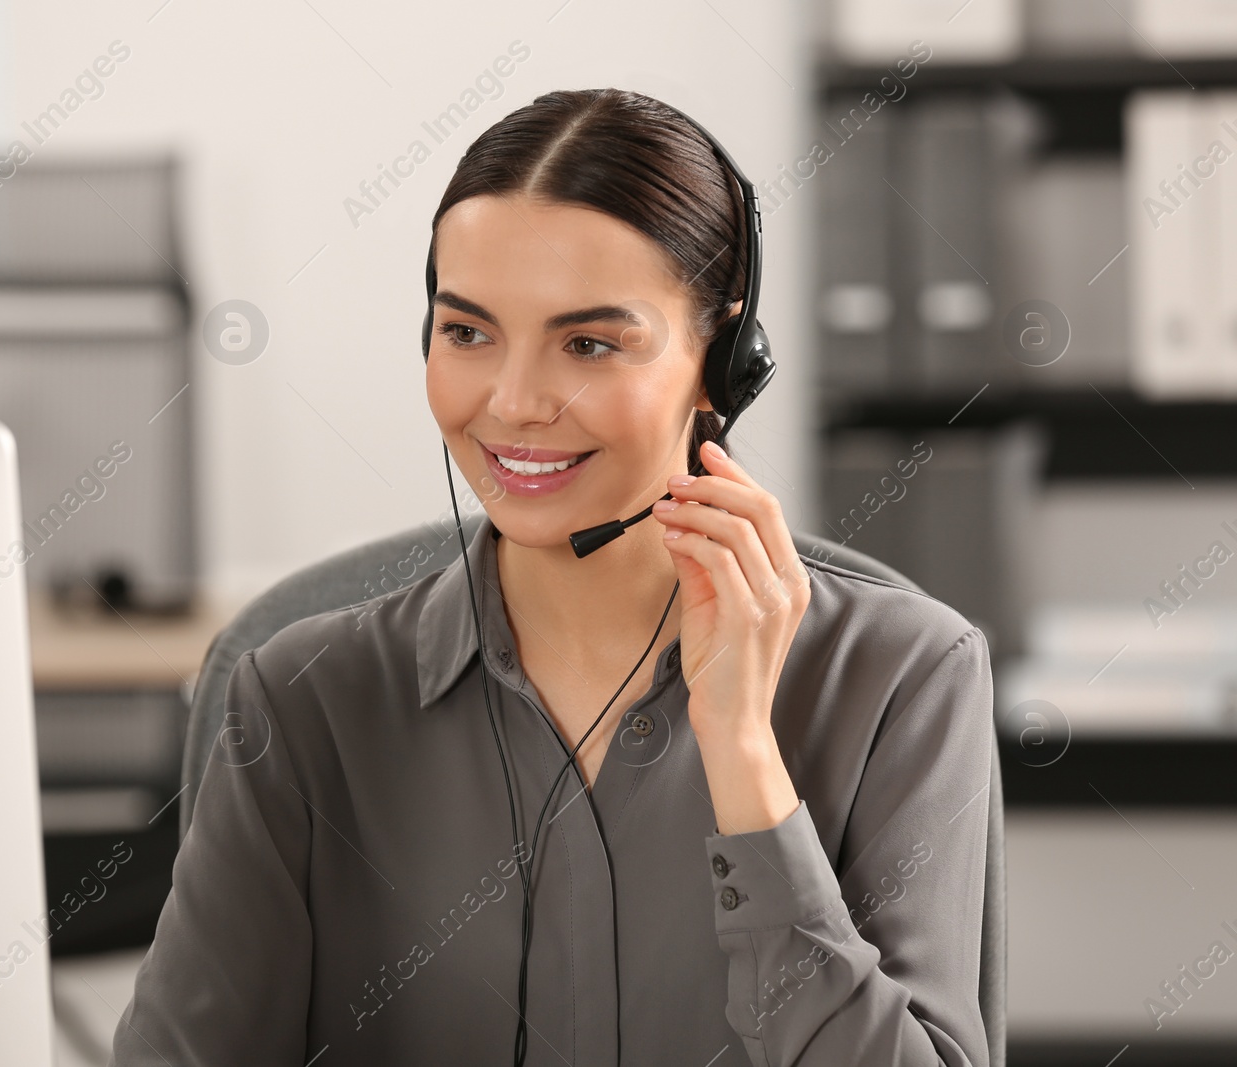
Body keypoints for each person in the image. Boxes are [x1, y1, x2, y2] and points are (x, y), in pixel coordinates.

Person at [109, 88, 994, 1067]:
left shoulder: (900, 676)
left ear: (722, 361)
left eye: (587, 343)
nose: (514, 401)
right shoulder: (305, 694)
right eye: (467, 332)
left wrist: (744, 751)